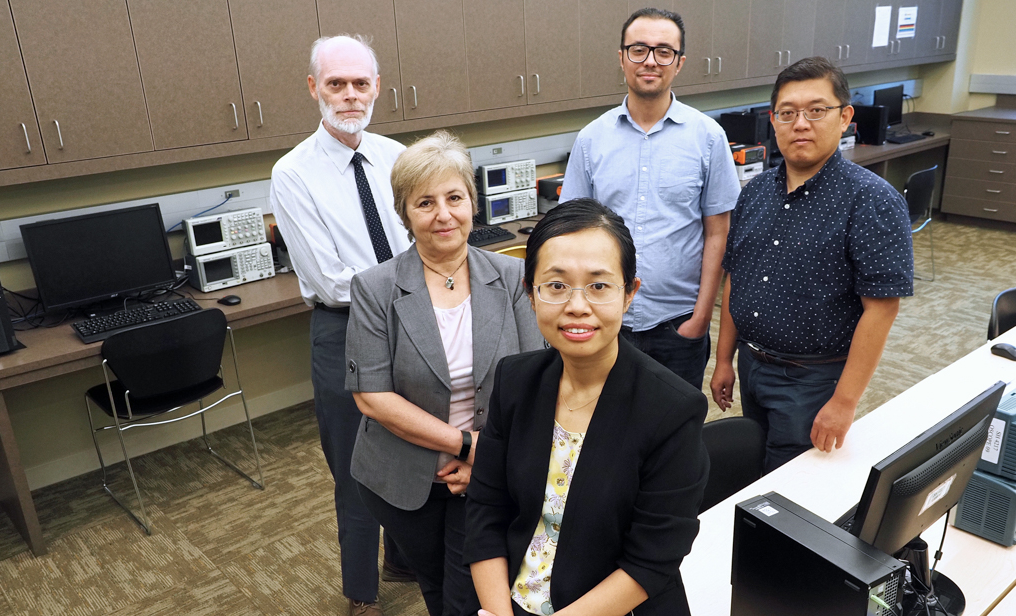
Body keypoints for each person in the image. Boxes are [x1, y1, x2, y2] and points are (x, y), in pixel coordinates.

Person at [466, 200, 710, 616]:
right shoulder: (515, 381)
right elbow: (486, 509)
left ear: (629, 293)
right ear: (531, 294)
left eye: (599, 286)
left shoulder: (672, 409)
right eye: (557, 285)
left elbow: (651, 559)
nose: (577, 306)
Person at [346, 130, 543, 616]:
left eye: (455, 197)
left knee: (467, 597)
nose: (443, 214)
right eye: (425, 203)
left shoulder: (513, 276)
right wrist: (465, 445)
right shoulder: (375, 289)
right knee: (435, 588)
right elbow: (372, 397)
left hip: (488, 475)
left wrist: (486, 457)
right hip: (403, 480)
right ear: (405, 213)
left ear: (473, 203)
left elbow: (535, 377)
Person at [710, 57, 914, 474]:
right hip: (752, 365)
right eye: (788, 113)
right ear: (774, 121)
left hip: (812, 380)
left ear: (845, 118)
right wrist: (725, 358)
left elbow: (882, 308)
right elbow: (736, 276)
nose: (800, 123)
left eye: (816, 110)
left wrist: (844, 402)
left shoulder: (871, 201)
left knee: (790, 492)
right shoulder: (755, 193)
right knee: (754, 473)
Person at [270, 34, 410, 616]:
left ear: (377, 86)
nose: (350, 95)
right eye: (336, 84)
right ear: (314, 89)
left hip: (412, 320)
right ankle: (362, 596)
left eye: (360, 83)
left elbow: (421, 236)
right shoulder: (293, 174)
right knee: (356, 471)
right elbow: (331, 280)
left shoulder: (399, 157)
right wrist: (415, 278)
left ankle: (403, 558)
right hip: (346, 330)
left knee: (416, 447)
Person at [559, 7, 740, 390]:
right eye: (638, 50)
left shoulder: (708, 138)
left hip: (678, 326)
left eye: (664, 51)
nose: (650, 61)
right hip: (604, 322)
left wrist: (702, 318)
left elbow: (718, 234)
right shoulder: (591, 139)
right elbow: (570, 235)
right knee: (602, 431)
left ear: (680, 63)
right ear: (621, 58)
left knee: (674, 439)